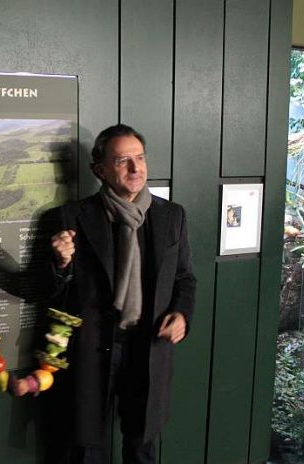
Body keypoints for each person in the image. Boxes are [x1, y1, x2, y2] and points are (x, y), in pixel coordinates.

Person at [48, 123, 196, 464]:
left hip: (150, 347)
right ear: (99, 169)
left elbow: (185, 278)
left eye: (140, 158)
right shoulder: (72, 217)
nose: (135, 168)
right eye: (122, 160)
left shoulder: (172, 216)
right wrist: (61, 262)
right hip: (93, 349)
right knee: (86, 449)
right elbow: (55, 293)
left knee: (142, 445)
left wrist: (182, 314)